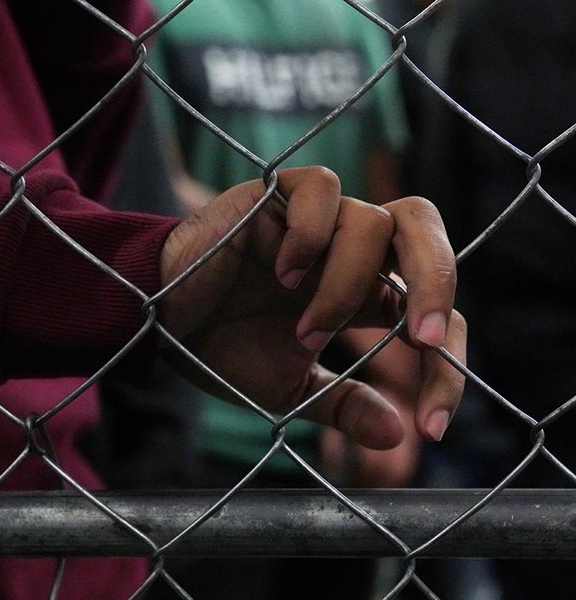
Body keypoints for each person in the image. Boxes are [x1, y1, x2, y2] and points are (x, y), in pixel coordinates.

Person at [0, 1, 466, 599]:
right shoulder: (202, 20)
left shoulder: (345, 20)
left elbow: (98, 130)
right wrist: (139, 273)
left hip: (72, 510)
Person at [144, 1, 422, 596]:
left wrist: (398, 388)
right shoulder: (154, 13)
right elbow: (151, 200)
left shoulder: (356, 17)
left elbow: (383, 206)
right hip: (207, 407)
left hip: (331, 411)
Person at [414, 0, 576, 597]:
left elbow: (445, 195)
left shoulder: (481, 23)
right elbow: (445, 195)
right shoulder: (482, 25)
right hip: (538, 393)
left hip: (555, 387)